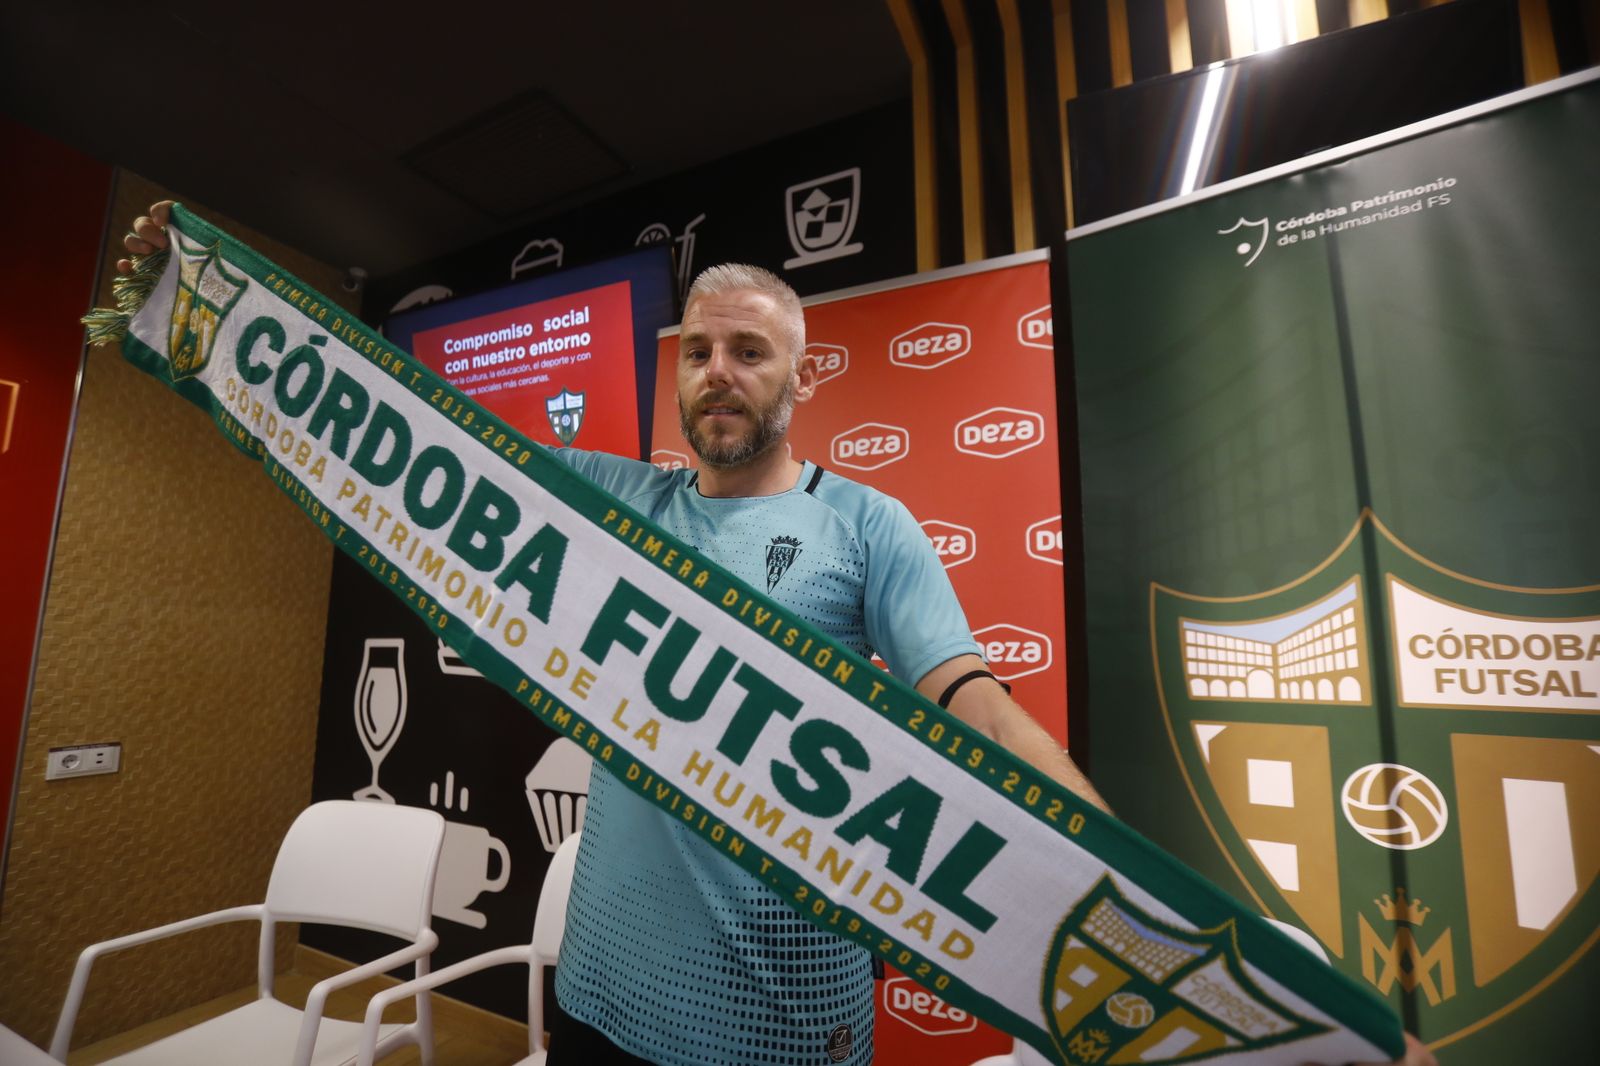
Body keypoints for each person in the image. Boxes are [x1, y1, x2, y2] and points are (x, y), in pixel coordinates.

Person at [121, 205, 1437, 1066]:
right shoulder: (616, 502)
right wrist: (209, 319)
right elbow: (415, 461)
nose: (720, 374)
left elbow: (978, 708)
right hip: (596, 1009)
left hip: (787, 1031)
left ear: (798, 376)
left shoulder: (868, 526)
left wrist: (1144, 910)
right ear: (674, 368)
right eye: (699, 351)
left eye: (751, 352)